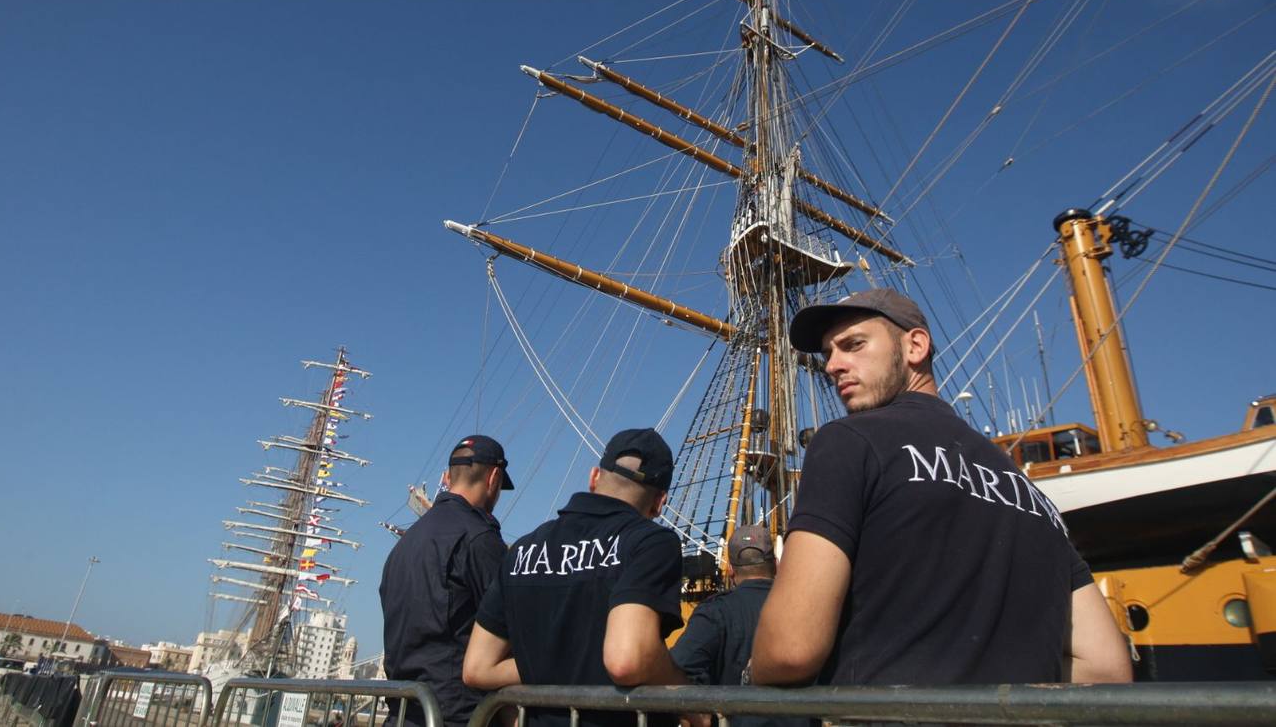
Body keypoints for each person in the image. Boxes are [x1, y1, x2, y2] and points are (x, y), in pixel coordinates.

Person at [751, 288, 1133, 686]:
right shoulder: (1031, 493)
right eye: (828, 353)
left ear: (915, 346)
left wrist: (751, 671)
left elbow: (790, 650)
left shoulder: (848, 442)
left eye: (853, 345)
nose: (833, 365)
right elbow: (1106, 667)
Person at [462, 428, 689, 727]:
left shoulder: (523, 549)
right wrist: (685, 695)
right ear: (660, 501)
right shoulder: (652, 543)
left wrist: (550, 661)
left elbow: (477, 668)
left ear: (594, 477)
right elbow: (626, 660)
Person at [380, 435, 513, 727]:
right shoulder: (479, 539)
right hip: (458, 715)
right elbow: (511, 628)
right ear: (494, 477)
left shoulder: (404, 545)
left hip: (404, 712)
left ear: (446, 477)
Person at [672, 525, 808, 727]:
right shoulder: (805, 608)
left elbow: (680, 666)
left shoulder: (714, 612)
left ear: (730, 570)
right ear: (778, 564)